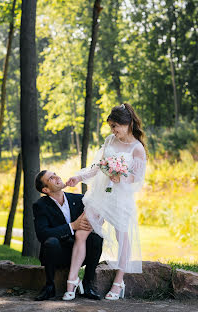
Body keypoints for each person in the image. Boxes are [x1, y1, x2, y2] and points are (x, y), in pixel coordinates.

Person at [63, 103, 147, 301]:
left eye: (115, 126)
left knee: (122, 239)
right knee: (82, 232)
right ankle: (72, 281)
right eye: (111, 127)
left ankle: (119, 282)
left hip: (120, 198)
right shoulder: (110, 140)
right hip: (100, 195)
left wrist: (121, 178)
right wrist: (78, 177)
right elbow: (96, 166)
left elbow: (137, 177)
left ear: (127, 124)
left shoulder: (137, 148)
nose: (113, 130)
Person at [33, 170, 103, 301]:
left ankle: (87, 285)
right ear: (46, 189)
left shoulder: (79, 199)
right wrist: (72, 226)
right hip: (58, 255)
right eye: (51, 178)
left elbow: (96, 213)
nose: (56, 177)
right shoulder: (40, 206)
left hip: (79, 252)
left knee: (96, 239)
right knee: (50, 242)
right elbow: (43, 234)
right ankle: (49, 287)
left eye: (55, 174)